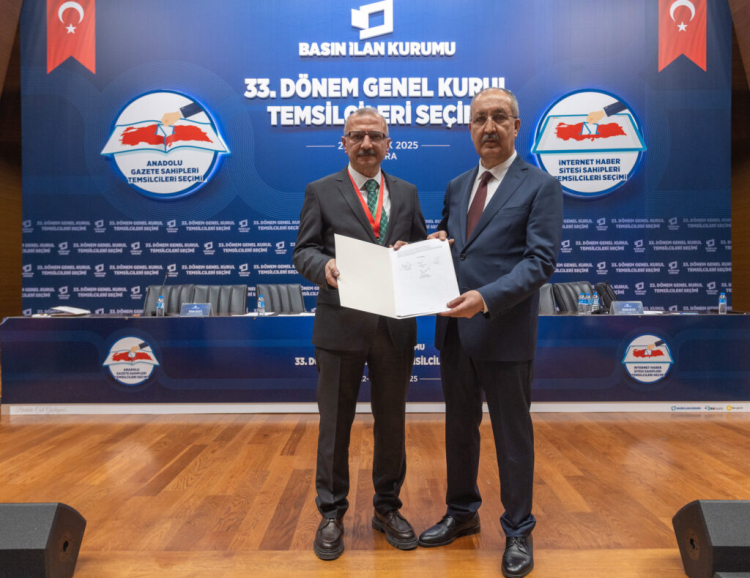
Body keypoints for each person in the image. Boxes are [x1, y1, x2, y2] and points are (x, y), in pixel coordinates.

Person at [418, 88, 563, 578]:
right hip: (454, 332)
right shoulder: (458, 185)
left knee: (511, 437)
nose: (490, 127)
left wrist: (486, 298)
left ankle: (518, 530)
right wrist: (437, 243)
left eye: (500, 117)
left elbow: (540, 262)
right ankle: (462, 513)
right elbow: (454, 242)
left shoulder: (541, 186)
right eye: (480, 119)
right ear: (470, 128)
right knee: (459, 430)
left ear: (517, 126)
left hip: (504, 331)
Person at [293, 107, 427, 561]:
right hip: (339, 326)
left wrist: (415, 252)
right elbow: (303, 251)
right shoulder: (320, 190)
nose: (366, 143)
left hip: (394, 328)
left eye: (375, 136)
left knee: (392, 423)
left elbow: (420, 246)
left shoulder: (407, 192)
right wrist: (325, 266)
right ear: (344, 142)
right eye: (357, 136)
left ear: (389, 143)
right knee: (335, 424)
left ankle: (387, 509)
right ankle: (331, 513)